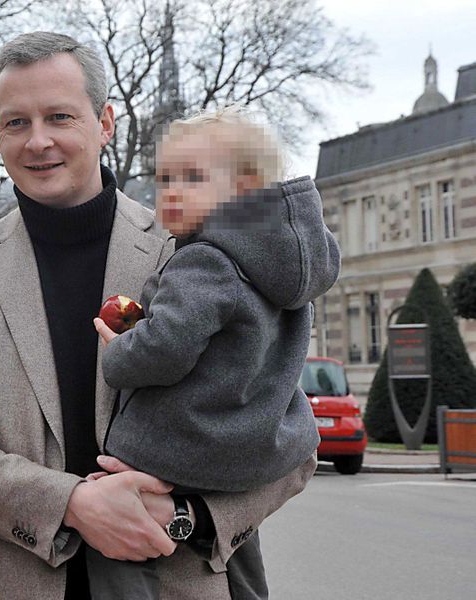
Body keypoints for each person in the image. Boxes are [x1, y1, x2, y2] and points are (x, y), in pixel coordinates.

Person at [0, 31, 317, 600]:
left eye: (60, 116)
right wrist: (72, 503)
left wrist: (184, 516)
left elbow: (292, 441)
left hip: (174, 579)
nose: (37, 141)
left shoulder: (200, 252)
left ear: (105, 123)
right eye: (15, 122)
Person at [86, 109, 340, 599]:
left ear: (243, 190)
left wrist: (119, 353)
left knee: (116, 544)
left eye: (193, 178)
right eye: (164, 180)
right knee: (233, 554)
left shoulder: (204, 259)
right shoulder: (284, 270)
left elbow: (166, 348)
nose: (171, 192)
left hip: (184, 445)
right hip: (252, 449)